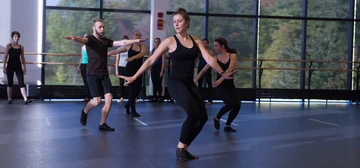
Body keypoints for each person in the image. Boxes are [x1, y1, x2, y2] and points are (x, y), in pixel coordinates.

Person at [119, 8, 236, 162]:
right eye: (174, 22)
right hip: (175, 83)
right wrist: (135, 76)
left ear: (187, 22)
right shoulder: (169, 41)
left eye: (179, 21)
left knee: (203, 117)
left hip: (189, 83)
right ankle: (180, 147)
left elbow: (209, 59)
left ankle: (184, 148)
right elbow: (150, 60)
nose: (176, 24)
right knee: (193, 114)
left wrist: (222, 73)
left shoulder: (196, 41)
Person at [62, 18, 147, 131]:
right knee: (97, 101)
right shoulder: (90, 39)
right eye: (100, 27)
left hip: (104, 73)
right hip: (92, 74)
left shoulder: (105, 41)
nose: (102, 29)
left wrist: (136, 40)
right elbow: (82, 39)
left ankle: (102, 123)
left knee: (109, 97)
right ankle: (85, 111)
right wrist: (74, 38)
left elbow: (122, 42)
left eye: (103, 27)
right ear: (94, 28)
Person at [194, 37, 240, 132]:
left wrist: (221, 79)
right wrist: (194, 81)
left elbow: (229, 70)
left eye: (216, 46)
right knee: (230, 104)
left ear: (222, 46)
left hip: (230, 85)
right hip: (220, 86)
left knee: (237, 105)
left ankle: (227, 125)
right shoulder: (214, 59)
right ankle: (217, 117)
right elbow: (202, 71)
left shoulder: (232, 56)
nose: (214, 48)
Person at [108, 30, 147, 117]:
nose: (137, 36)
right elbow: (117, 51)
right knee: (132, 90)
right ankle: (133, 110)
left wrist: (132, 57)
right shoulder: (129, 45)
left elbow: (142, 54)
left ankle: (127, 104)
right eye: (136, 34)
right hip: (129, 70)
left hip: (138, 70)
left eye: (139, 34)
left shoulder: (143, 46)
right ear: (133, 36)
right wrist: (107, 53)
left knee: (137, 91)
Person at [3, 31, 32, 105]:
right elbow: (5, 56)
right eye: (15, 36)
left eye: (18, 37)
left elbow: (22, 58)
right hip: (10, 65)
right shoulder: (8, 45)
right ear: (12, 37)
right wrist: (4, 67)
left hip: (18, 66)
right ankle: (9, 99)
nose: (17, 38)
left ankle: (25, 99)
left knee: (21, 82)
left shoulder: (21, 47)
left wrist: (25, 67)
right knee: (10, 82)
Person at [195, 39, 214, 104]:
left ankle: (210, 100)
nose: (204, 44)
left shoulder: (210, 52)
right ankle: (200, 99)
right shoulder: (200, 51)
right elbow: (196, 59)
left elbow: (212, 60)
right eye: (203, 43)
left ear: (208, 44)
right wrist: (194, 65)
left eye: (206, 43)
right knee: (199, 84)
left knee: (209, 84)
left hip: (208, 69)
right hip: (200, 68)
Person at [148, 37, 166, 102]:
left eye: (158, 42)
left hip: (159, 67)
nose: (156, 43)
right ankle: (154, 97)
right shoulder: (151, 51)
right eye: (155, 42)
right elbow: (149, 61)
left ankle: (160, 97)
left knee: (159, 83)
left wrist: (162, 71)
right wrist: (149, 70)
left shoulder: (162, 51)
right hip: (153, 67)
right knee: (154, 83)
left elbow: (164, 62)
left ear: (160, 43)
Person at [115, 35, 129, 103]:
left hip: (128, 67)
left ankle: (132, 97)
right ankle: (121, 97)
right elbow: (117, 60)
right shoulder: (119, 49)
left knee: (129, 82)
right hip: (121, 66)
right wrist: (116, 70)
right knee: (121, 82)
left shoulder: (130, 49)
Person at [78, 33, 92, 102]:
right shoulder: (82, 47)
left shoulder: (91, 47)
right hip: (83, 65)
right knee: (85, 81)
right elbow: (81, 57)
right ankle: (87, 96)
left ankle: (90, 96)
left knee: (89, 81)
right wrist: (79, 66)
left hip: (89, 65)